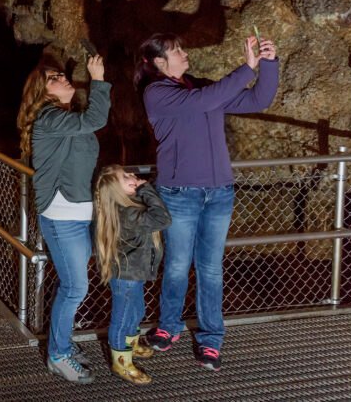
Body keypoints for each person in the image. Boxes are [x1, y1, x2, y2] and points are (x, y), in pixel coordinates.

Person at [135, 32, 278, 372]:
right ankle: (169, 327)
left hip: (219, 192)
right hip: (180, 193)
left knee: (211, 268)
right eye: (177, 50)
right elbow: (202, 102)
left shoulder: (198, 87)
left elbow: (258, 100)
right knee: (177, 265)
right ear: (159, 62)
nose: (185, 53)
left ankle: (211, 339)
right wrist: (246, 68)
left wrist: (269, 64)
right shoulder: (157, 93)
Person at [16, 55, 109, 384]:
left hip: (79, 212)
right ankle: (57, 355)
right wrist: (98, 79)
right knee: (75, 287)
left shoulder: (67, 118)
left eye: (61, 74)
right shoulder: (48, 117)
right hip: (61, 215)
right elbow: (97, 118)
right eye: (54, 78)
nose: (63, 78)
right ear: (43, 92)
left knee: (71, 285)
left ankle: (62, 341)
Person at [93, 165, 171, 385]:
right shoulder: (127, 213)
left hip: (133, 276)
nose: (133, 176)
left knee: (137, 311)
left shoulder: (128, 207)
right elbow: (163, 219)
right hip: (126, 278)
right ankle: (121, 362)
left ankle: (131, 344)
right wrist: (147, 190)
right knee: (123, 318)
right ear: (116, 190)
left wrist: (142, 191)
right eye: (125, 176)